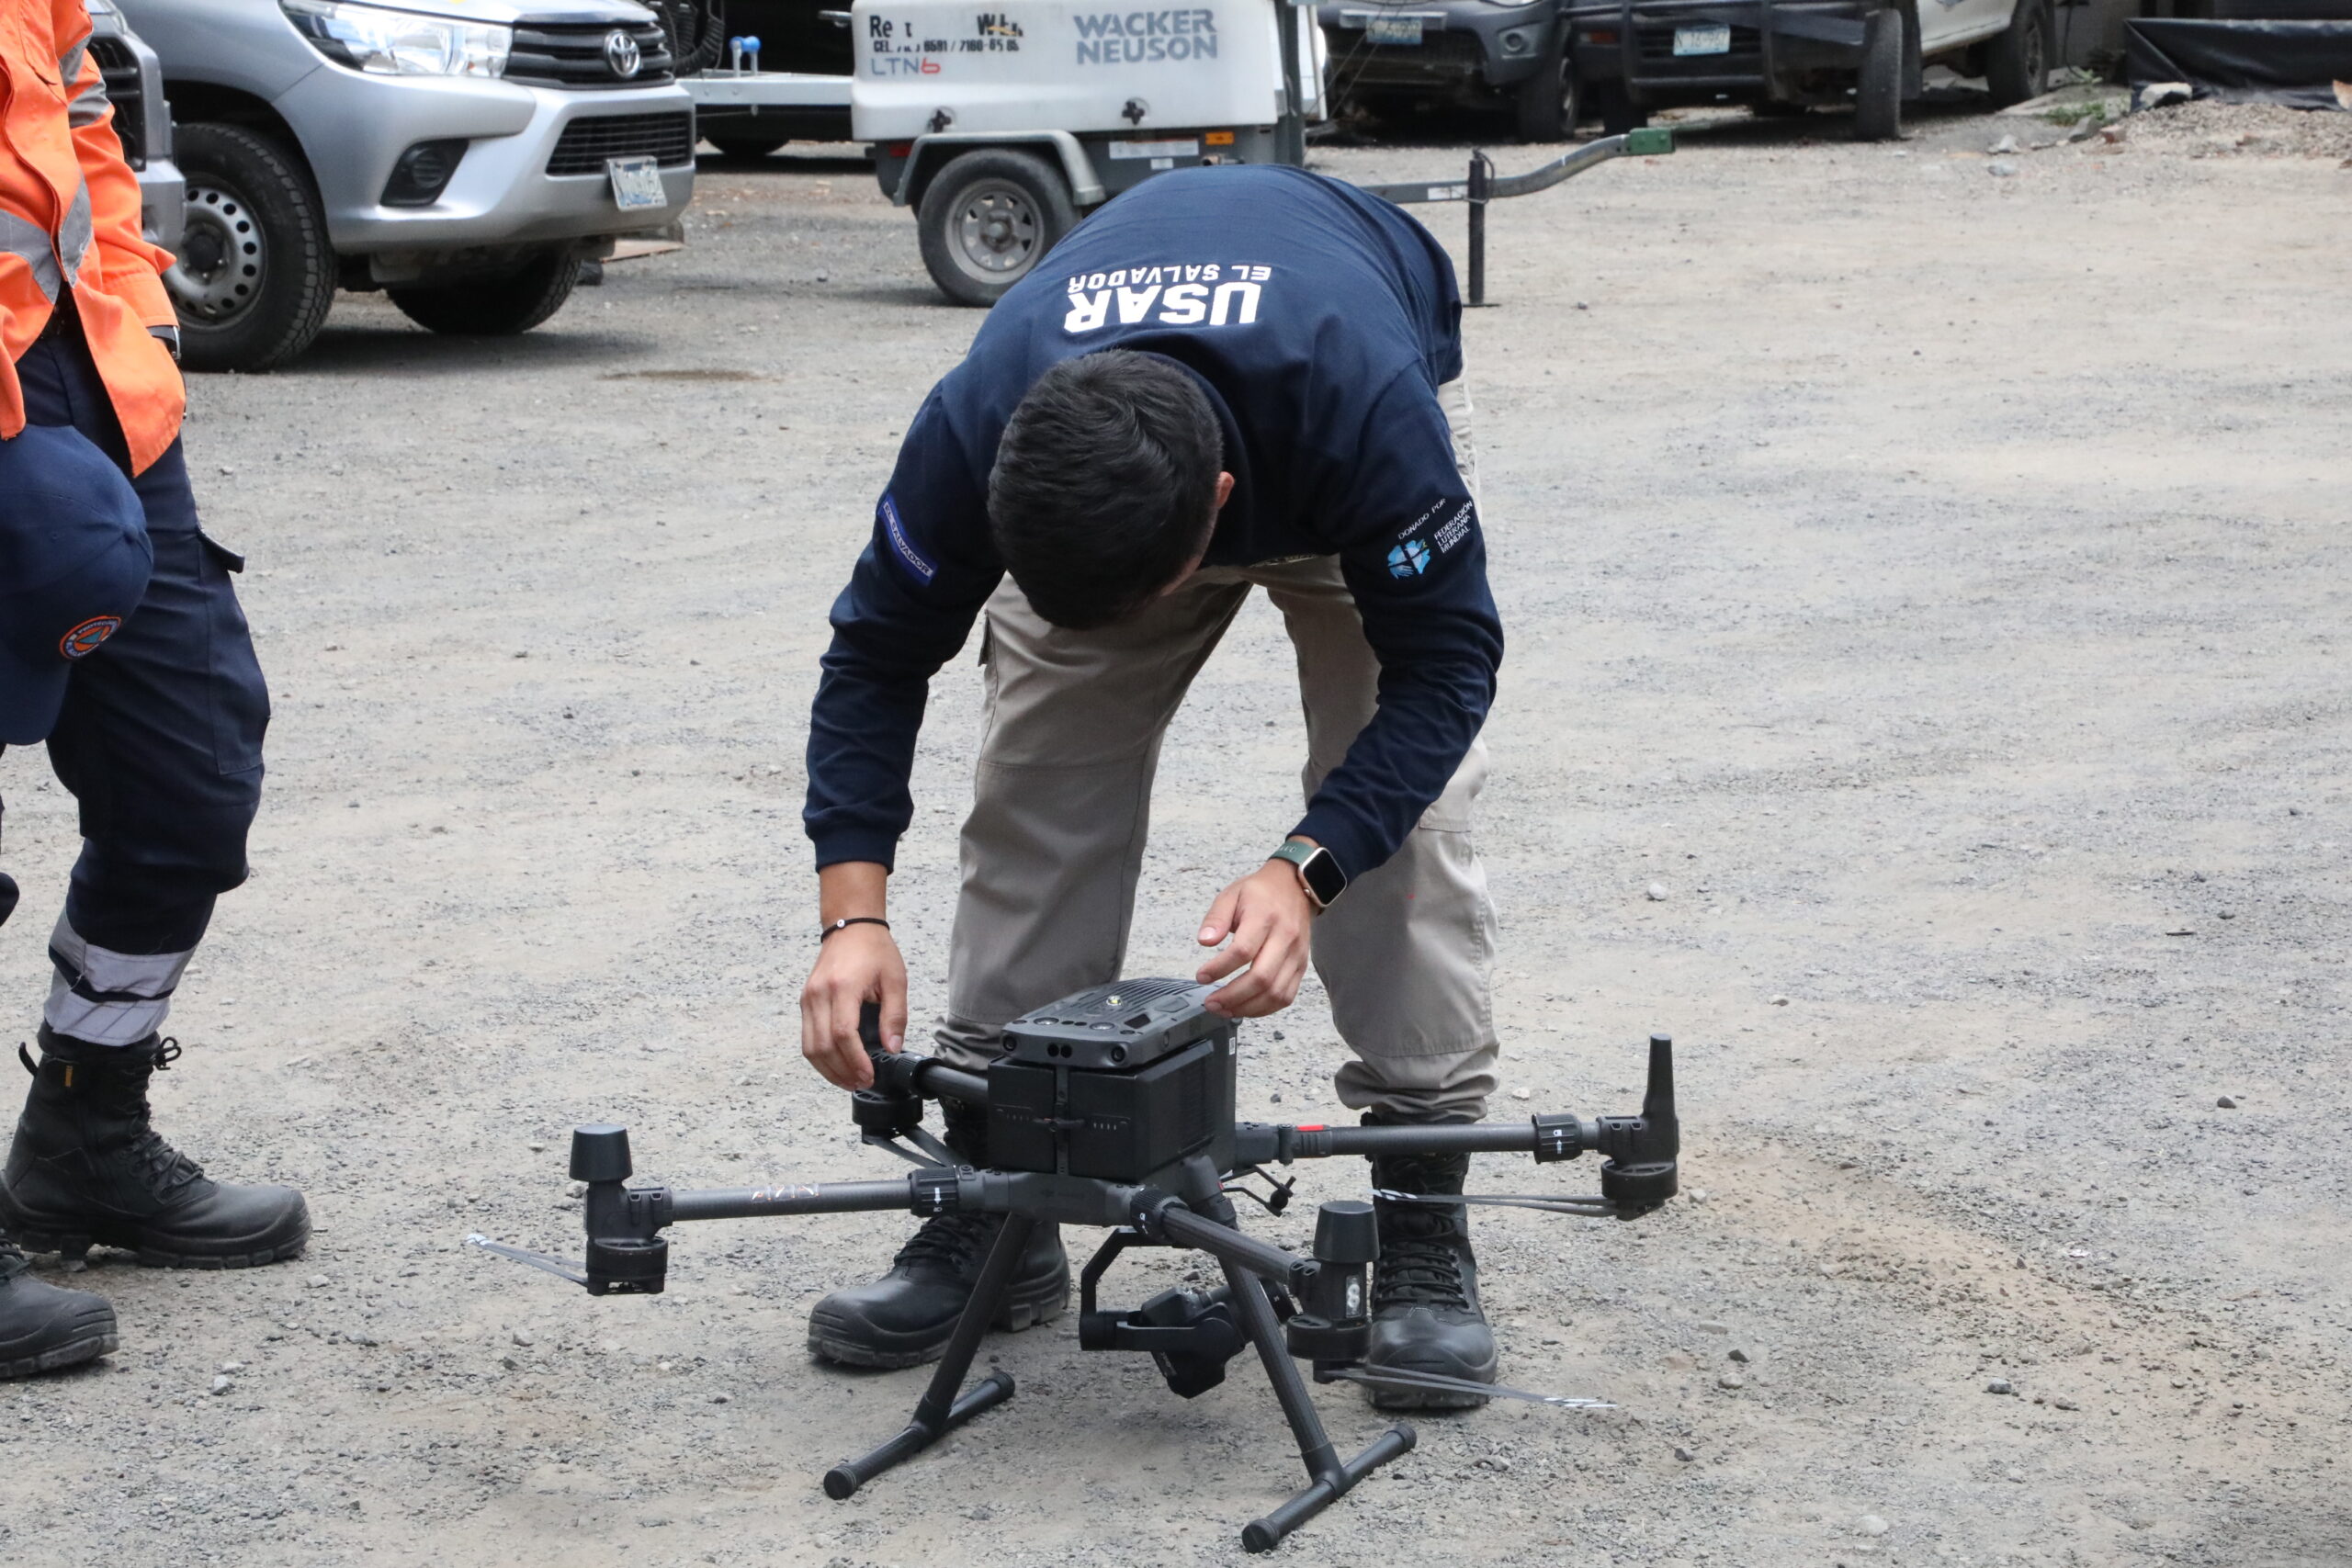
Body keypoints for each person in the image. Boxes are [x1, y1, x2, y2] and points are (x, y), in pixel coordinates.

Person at [797, 164, 1506, 1409]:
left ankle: (1420, 1202)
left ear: (1219, 513)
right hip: (1129, 459)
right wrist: (851, 918)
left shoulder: (1364, 414)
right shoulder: (982, 416)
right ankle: (1002, 1193)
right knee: (1035, 781)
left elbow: (1449, 664)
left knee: (1402, 826)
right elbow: (875, 652)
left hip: (1318, 432)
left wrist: (1307, 869)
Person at [0, 0, 308, 1382]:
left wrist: (136, 314)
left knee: (190, 780)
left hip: (95, 384)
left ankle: (83, 1131)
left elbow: (81, 124)